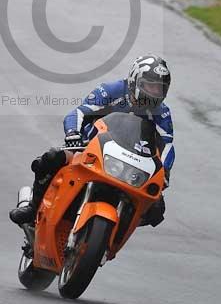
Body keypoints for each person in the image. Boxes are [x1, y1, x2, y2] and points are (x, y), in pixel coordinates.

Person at [9, 54, 174, 228]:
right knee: (52, 158)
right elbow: (79, 112)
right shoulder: (111, 91)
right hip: (90, 150)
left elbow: (168, 144)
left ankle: (116, 233)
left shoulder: (162, 113)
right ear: (134, 80)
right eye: (150, 86)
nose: (155, 93)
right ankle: (33, 208)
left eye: (159, 89)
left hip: (131, 164)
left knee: (156, 208)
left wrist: (165, 171)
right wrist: (73, 134)